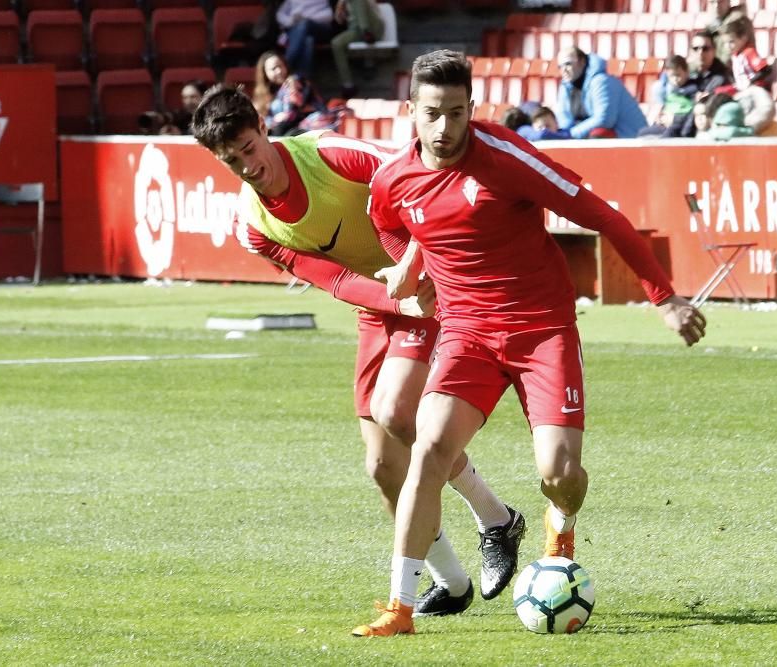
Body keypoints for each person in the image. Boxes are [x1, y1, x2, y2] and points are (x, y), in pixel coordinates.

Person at [352, 50, 706, 637]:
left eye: (458, 113)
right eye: (433, 114)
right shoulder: (392, 178)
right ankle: (399, 608)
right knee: (428, 449)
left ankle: (560, 522)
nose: (446, 129)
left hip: (543, 330)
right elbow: (392, 223)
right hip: (467, 333)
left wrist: (664, 297)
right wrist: (413, 269)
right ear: (410, 110)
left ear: (473, 109)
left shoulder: (507, 158)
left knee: (559, 472)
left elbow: (606, 217)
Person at [191, 85, 527, 618]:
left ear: (263, 127)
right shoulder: (253, 226)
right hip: (383, 303)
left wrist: (418, 277)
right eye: (231, 161)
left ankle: (492, 516)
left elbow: (416, 188)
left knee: (396, 411)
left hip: (428, 280)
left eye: (249, 148)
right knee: (381, 465)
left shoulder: (331, 155)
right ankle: (453, 581)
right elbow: (334, 277)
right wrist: (397, 300)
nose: (247, 166)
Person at [555, 46, 647, 139]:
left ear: (582, 62)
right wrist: (562, 134)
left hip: (631, 138)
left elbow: (605, 119)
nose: (564, 70)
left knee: (599, 133)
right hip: (608, 140)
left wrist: (571, 134)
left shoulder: (602, 81)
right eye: (560, 66)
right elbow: (564, 119)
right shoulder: (565, 86)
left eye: (568, 64)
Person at [252, 51, 325, 136]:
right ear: (265, 73)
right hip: (284, 129)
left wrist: (273, 121)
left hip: (311, 126)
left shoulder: (294, 82)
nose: (279, 71)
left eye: (280, 66)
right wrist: (273, 120)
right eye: (274, 68)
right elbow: (260, 118)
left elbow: (290, 114)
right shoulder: (266, 93)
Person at [331, 0, 384, 98]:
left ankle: (366, 31)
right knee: (336, 43)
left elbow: (370, 11)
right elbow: (339, 21)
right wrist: (340, 9)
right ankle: (348, 85)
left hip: (371, 29)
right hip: (356, 30)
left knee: (337, 43)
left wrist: (365, 30)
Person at [276, 0, 336, 78]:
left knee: (304, 24)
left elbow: (329, 16)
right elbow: (280, 14)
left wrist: (304, 18)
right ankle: (302, 79)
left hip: (319, 29)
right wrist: (290, 21)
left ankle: (286, 63)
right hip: (296, 29)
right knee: (308, 40)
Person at [719, 17, 773, 95]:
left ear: (743, 38)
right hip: (744, 90)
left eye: (731, 42)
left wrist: (750, 82)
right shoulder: (735, 55)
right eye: (725, 43)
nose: (728, 46)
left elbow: (766, 70)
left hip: (756, 90)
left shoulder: (749, 52)